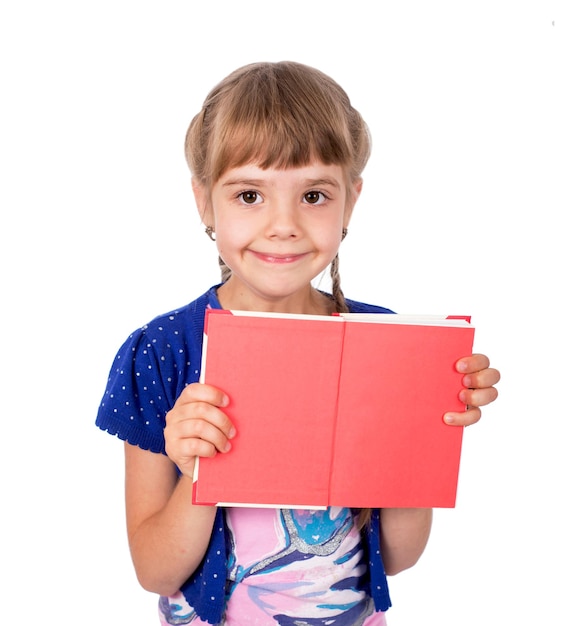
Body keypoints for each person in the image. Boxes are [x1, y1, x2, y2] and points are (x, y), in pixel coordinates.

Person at [96, 61, 500, 625]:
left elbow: (399, 558)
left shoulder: (385, 345)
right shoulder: (161, 351)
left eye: (313, 195)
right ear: (204, 200)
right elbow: (155, 573)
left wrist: (420, 439)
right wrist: (196, 472)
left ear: (350, 202)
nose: (283, 223)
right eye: (248, 195)